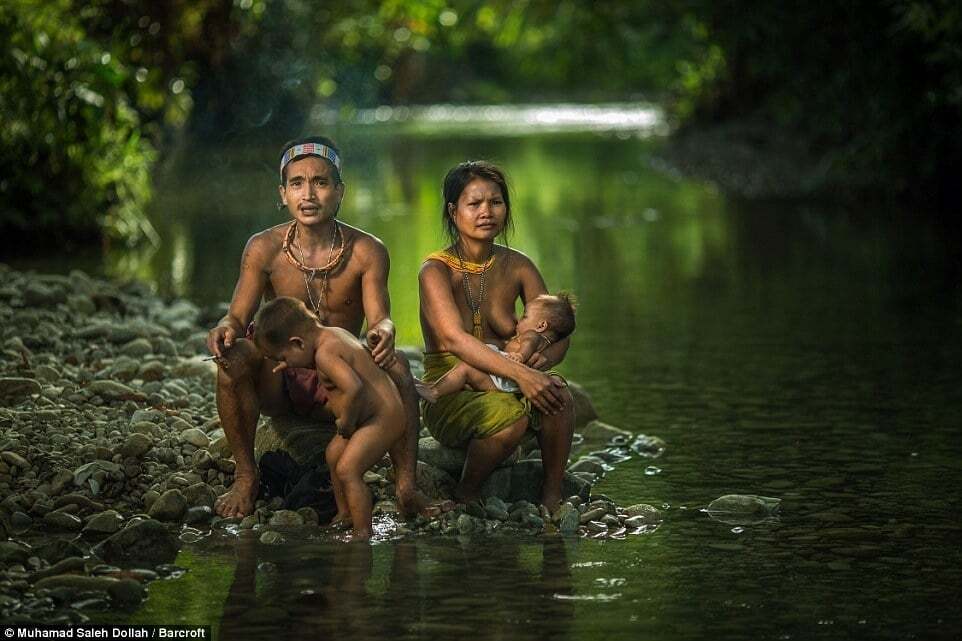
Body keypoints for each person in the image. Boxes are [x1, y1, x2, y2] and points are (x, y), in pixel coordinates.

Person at [206, 136, 426, 519]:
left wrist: (384, 332)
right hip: (280, 381)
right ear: (283, 194)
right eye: (297, 183)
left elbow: (381, 318)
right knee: (232, 361)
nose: (308, 194)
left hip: (337, 382)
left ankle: (407, 487)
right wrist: (225, 328)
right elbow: (237, 317)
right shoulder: (263, 247)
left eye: (321, 183)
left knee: (399, 367)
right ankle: (245, 476)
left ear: (339, 192)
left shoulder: (366, 250)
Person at [418, 160, 576, 511]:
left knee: (560, 397)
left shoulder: (519, 265)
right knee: (511, 416)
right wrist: (523, 374)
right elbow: (455, 340)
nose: (486, 212)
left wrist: (541, 360)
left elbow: (559, 330)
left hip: (510, 381)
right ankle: (467, 493)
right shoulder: (434, 271)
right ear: (453, 210)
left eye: (496, 202)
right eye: (474, 204)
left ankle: (552, 494)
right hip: (453, 388)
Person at [251, 297, 405, 539]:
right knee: (333, 454)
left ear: (298, 343)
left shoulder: (325, 355)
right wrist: (291, 363)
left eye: (283, 359)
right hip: (374, 412)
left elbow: (354, 388)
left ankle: (362, 532)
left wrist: (347, 421)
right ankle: (344, 513)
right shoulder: (333, 336)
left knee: (348, 469)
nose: (285, 365)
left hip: (383, 417)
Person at [417, 292, 576, 401]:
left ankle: (434, 391)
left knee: (466, 368)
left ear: (541, 325)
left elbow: (528, 345)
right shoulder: (539, 339)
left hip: (507, 378)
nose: (519, 321)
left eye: (525, 316)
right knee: (471, 371)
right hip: (508, 381)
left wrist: (520, 356)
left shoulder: (532, 335)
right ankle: (437, 387)